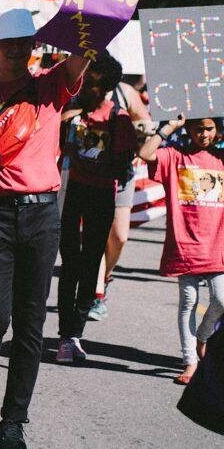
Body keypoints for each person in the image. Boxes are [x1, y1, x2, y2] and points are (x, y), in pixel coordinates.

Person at [0, 0, 147, 449]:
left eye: (25, 43)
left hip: (42, 217)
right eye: (8, 44)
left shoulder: (53, 87)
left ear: (34, 46)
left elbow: (90, 44)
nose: (17, 50)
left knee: (31, 326)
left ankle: (13, 422)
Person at [138, 110, 224, 384]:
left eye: (208, 129)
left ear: (217, 131)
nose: (203, 134)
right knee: (188, 303)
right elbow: (147, 155)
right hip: (185, 246)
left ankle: (202, 337)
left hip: (218, 247)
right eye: (197, 129)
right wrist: (169, 127)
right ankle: (190, 361)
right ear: (189, 131)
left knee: (221, 300)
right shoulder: (175, 157)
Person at [55, 53, 138, 363]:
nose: (88, 90)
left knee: (90, 264)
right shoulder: (71, 112)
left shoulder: (118, 118)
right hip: (71, 192)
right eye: (85, 83)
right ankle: (65, 333)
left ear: (106, 88)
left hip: (101, 195)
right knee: (70, 264)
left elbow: (123, 163)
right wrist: (69, 118)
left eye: (95, 86)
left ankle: (74, 333)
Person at [88, 75, 152, 322]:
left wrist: (134, 133)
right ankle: (96, 295)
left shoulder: (123, 91)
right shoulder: (80, 91)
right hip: (88, 172)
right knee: (96, 236)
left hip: (121, 172)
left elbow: (145, 123)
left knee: (119, 236)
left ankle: (106, 276)